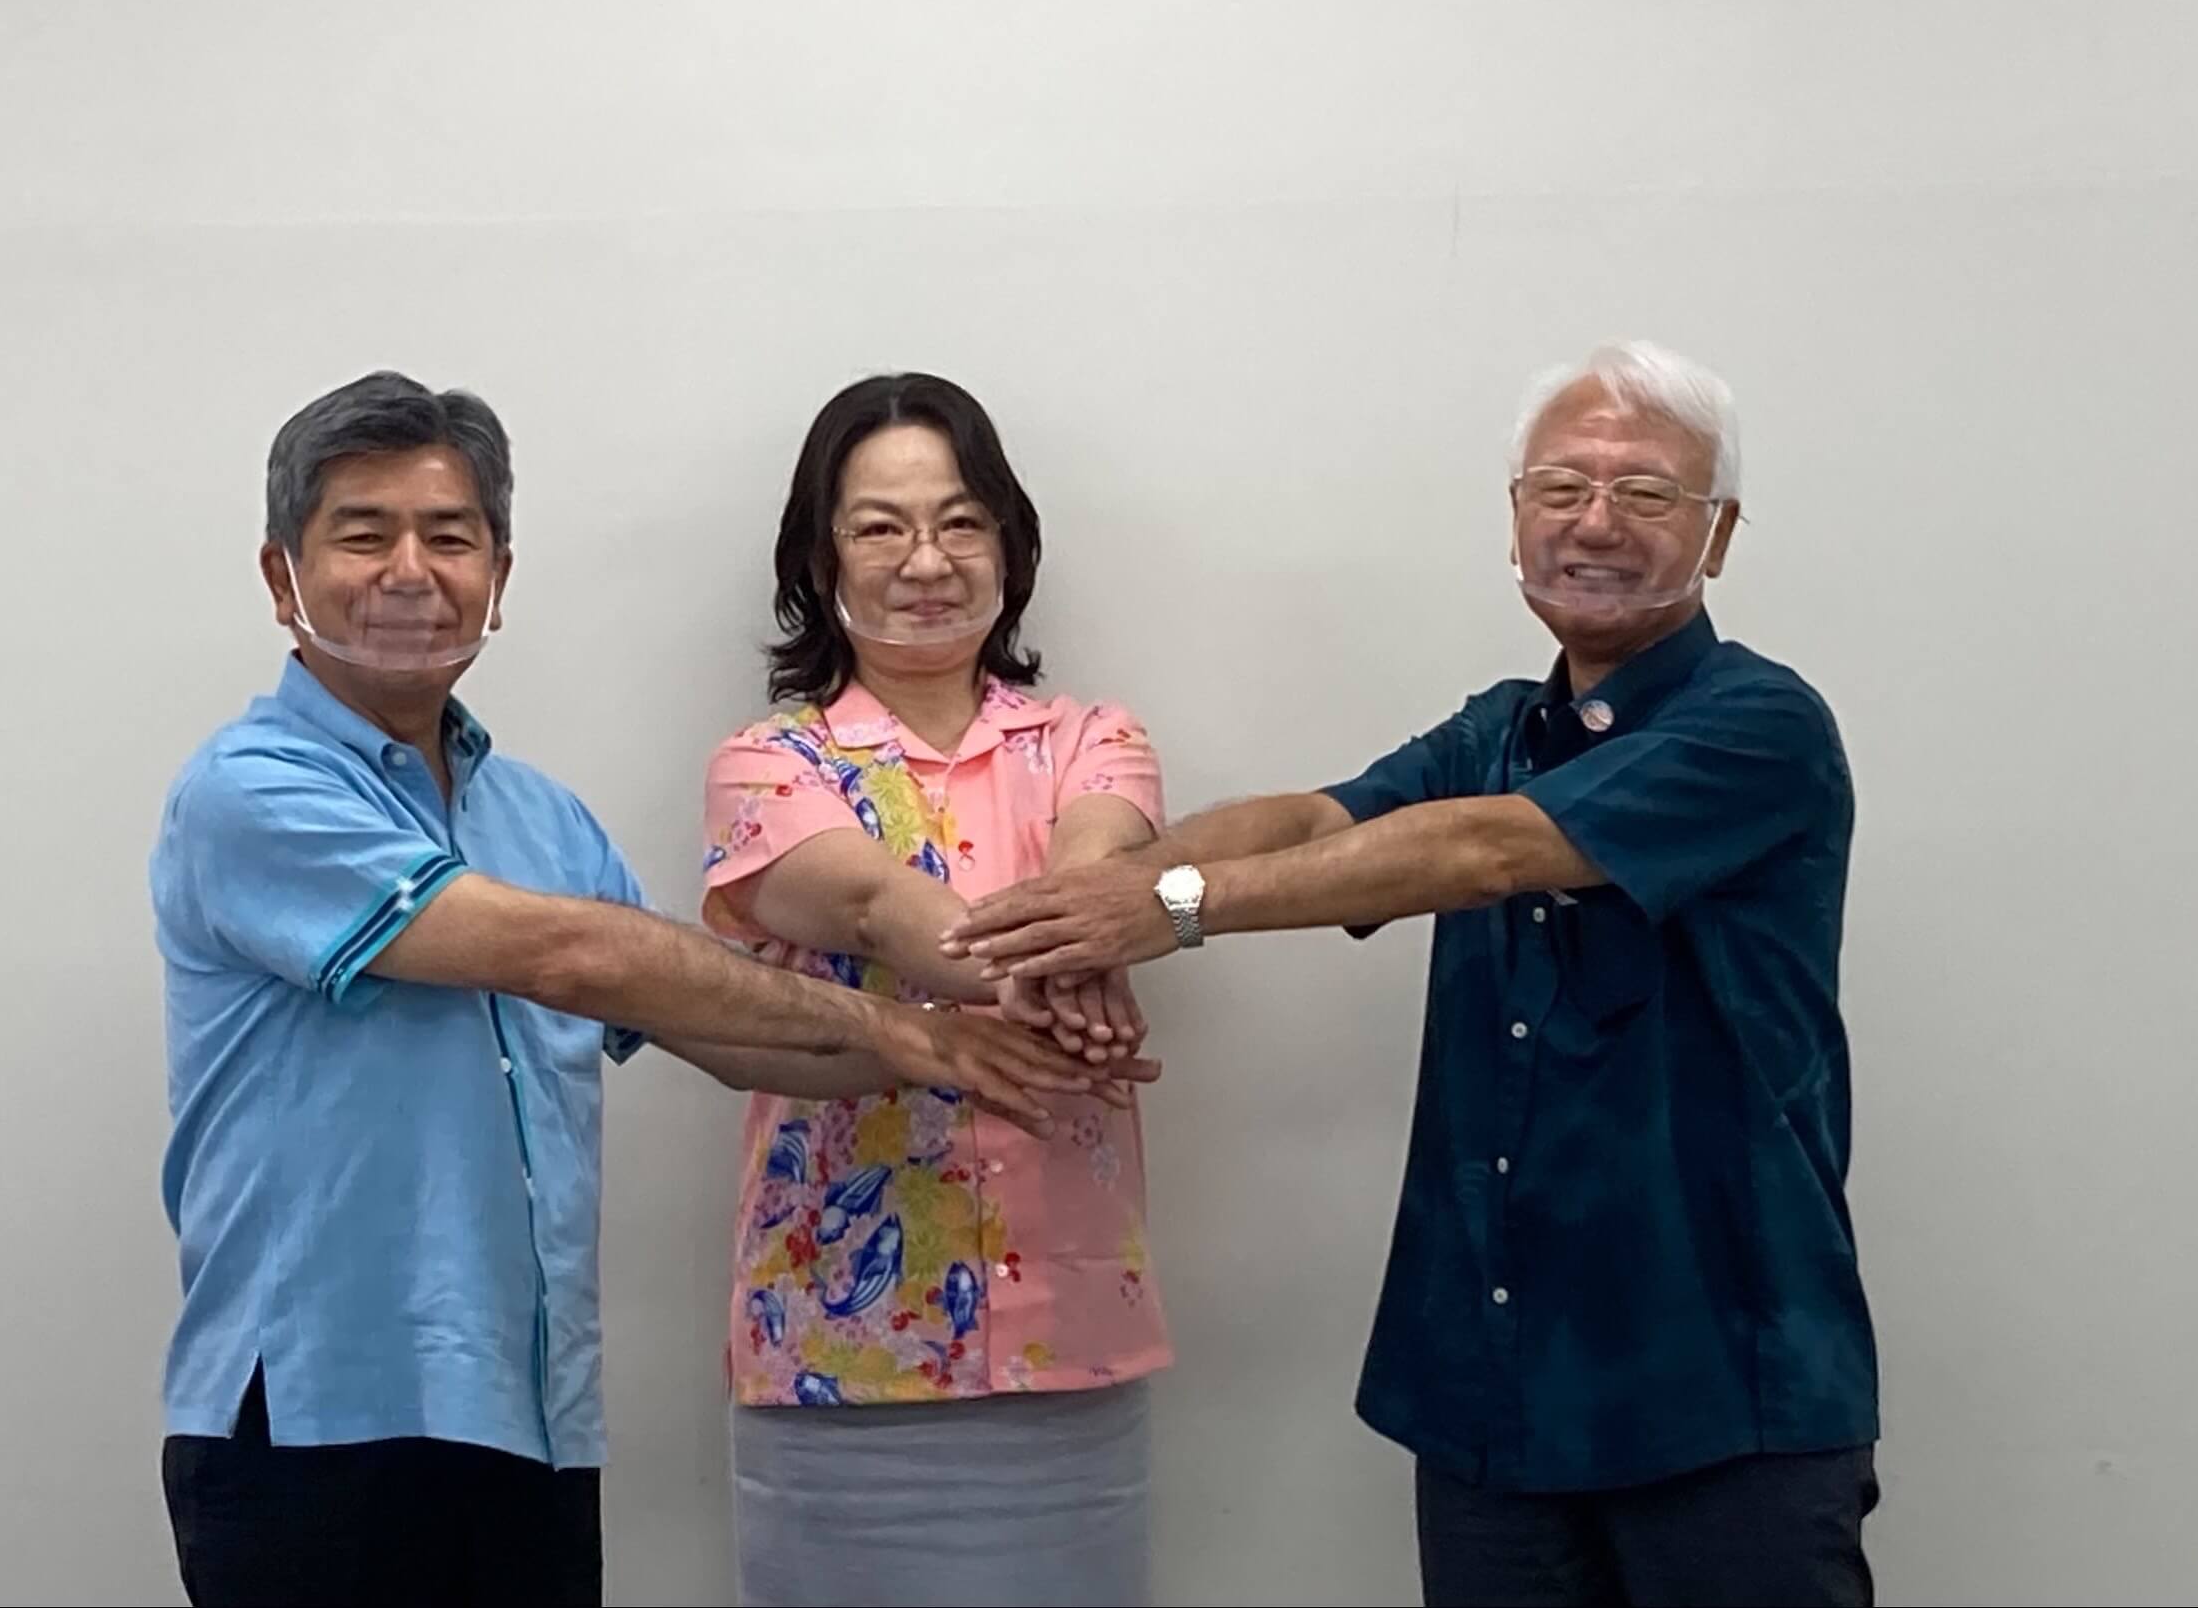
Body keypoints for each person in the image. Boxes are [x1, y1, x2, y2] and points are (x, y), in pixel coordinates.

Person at [149, 371, 1149, 1608]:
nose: (410, 572)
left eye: (449, 537)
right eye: (365, 535)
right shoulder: (249, 789)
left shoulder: (538, 818)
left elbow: (719, 1028)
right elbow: (573, 959)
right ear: (280, 575)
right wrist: (904, 1028)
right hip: (309, 1419)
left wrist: (956, 1048)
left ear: (498, 577)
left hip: (525, 1414)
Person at [946, 342, 1881, 1607]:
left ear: (1715, 536)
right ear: (1513, 514)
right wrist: (1086, 913)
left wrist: (1162, 909)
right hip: (1490, 1393)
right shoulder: (1496, 728)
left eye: (1644, 493)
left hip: (1720, 1394)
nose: (1593, 523)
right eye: (1560, 488)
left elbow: (1482, 850)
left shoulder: (1759, 725)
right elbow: (1314, 823)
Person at [697, 373, 1173, 1607]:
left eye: (962, 522)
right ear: (820, 559)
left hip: (1068, 1345)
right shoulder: (766, 764)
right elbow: (874, 908)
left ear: (1010, 545)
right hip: (837, 1352)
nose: (926, 560)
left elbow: (1100, 872)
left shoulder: (1092, 739)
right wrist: (1071, 955)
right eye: (880, 526)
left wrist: (1095, 919)